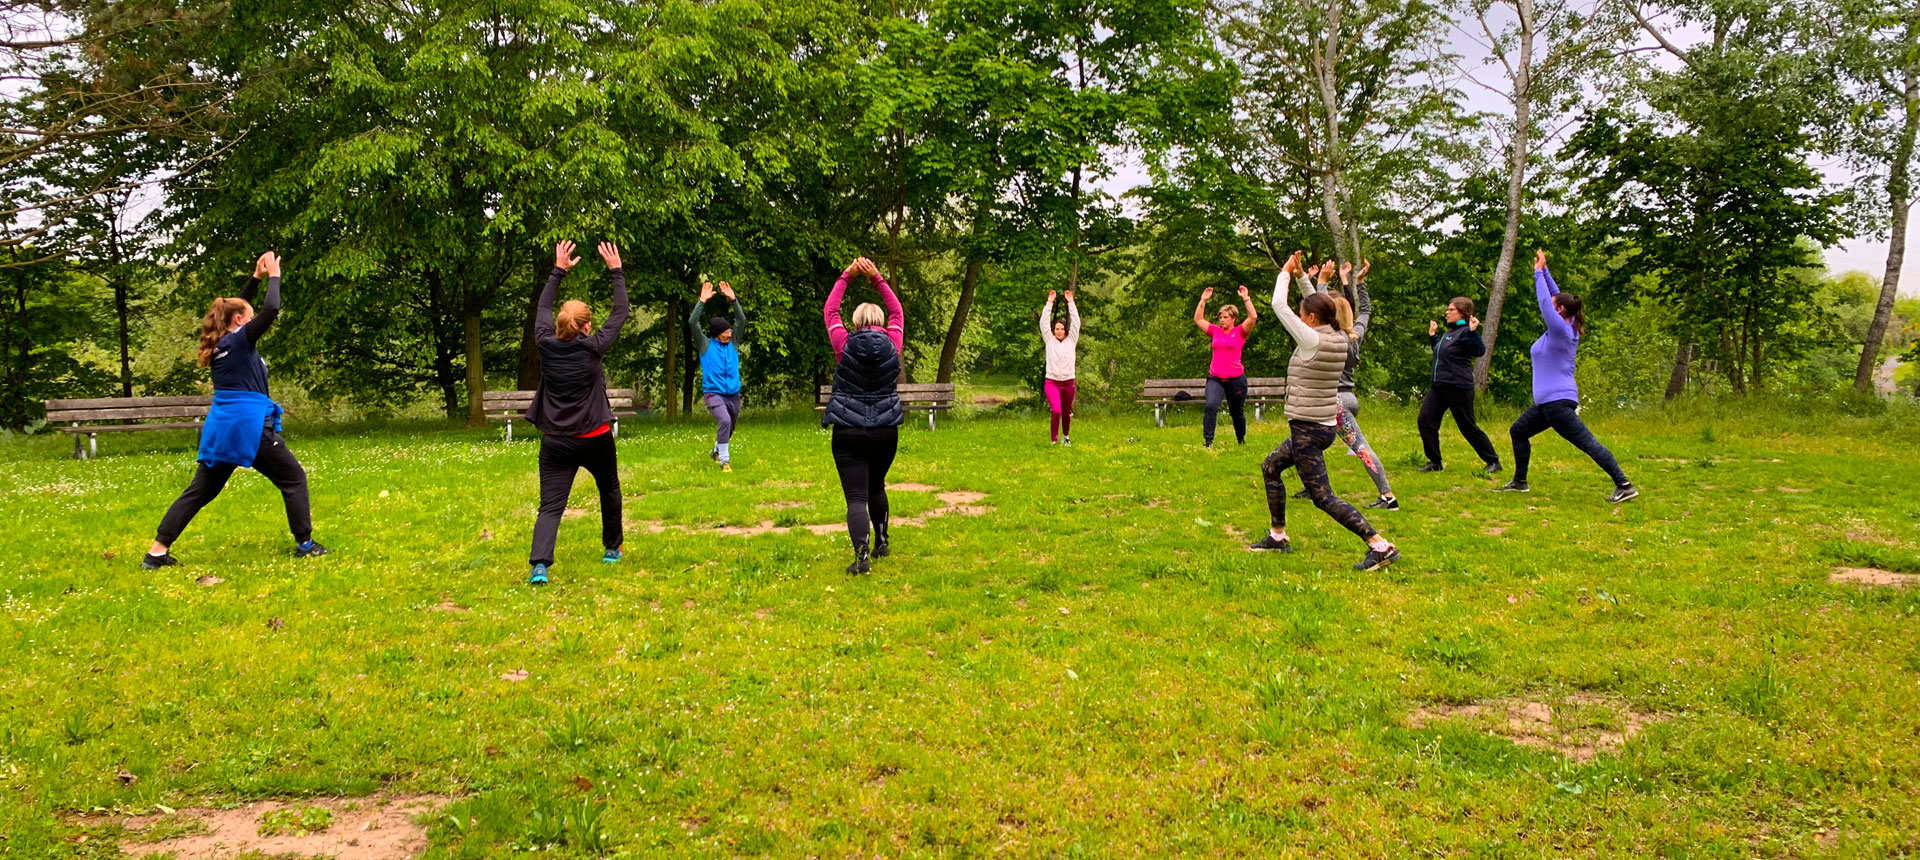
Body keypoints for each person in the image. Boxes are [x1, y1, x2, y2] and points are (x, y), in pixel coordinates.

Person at [143, 251, 329, 570]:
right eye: (248, 315)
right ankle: (305, 543)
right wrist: (274, 275)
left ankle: (156, 552)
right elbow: (272, 308)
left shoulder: (220, 345)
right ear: (241, 322)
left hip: (223, 426)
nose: (252, 317)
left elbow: (236, 311)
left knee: (201, 490)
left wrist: (254, 278)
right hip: (249, 426)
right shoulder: (239, 343)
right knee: (294, 478)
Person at [1247, 251, 1400, 571]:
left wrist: (1286, 272)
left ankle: (1379, 544)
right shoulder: (1340, 337)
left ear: (1312, 320)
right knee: (1270, 467)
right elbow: (1317, 304)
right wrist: (1304, 277)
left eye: (1304, 317)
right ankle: (1278, 536)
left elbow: (1278, 306)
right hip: (1321, 426)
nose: (1301, 320)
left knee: (1323, 497)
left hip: (1308, 430)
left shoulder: (1312, 340)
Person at [525, 240, 630, 587]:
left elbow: (541, 309)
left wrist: (558, 270)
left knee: (550, 506)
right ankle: (612, 549)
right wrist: (616, 272)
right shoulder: (594, 348)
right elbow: (620, 313)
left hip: (555, 441)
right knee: (609, 489)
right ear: (586, 327)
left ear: (558, 326)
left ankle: (540, 566)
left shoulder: (544, 343)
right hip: (594, 438)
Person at [1496, 251, 1638, 503]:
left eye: (1555, 306)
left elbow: (1544, 302)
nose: (1551, 306)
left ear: (1560, 310)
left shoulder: (1561, 329)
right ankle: (1519, 481)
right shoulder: (1567, 322)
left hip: (1557, 403)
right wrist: (1546, 270)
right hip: (1547, 403)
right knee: (1518, 431)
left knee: (1587, 443)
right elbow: (1554, 296)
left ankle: (1624, 484)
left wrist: (1537, 274)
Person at [823, 255, 906, 575]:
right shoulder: (893, 343)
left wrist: (846, 275)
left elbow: (830, 310)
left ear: (855, 323)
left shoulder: (843, 343)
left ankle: (861, 560)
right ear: (883, 323)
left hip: (849, 429)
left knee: (856, 496)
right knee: (877, 485)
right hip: (886, 429)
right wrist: (877, 278)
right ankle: (882, 542)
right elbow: (898, 311)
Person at [1294, 259, 1398, 510]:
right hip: (1347, 397)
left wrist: (1320, 284)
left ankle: (1388, 496)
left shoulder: (1330, 336)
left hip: (1334, 402)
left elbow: (1316, 311)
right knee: (1308, 442)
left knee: (1359, 447)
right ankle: (1313, 486)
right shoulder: (1355, 334)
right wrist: (1360, 284)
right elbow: (1367, 311)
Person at [1417, 295, 1502, 473]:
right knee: (1425, 420)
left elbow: (1479, 350)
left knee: (1467, 427)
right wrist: (1433, 336)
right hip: (1439, 386)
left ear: (1463, 313)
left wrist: (1473, 332)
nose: (1447, 312)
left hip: (1458, 387)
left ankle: (1493, 461)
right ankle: (1435, 462)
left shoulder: (1465, 332)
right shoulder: (1450, 332)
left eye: (1451, 310)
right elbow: (1441, 351)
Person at [689, 279, 747, 471]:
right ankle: (724, 461)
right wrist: (702, 301)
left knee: (730, 427)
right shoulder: (706, 345)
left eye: (730, 330)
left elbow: (742, 320)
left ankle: (716, 450)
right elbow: (693, 322)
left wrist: (733, 300)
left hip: (733, 395)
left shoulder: (733, 343)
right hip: (714, 394)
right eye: (726, 331)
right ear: (717, 333)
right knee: (724, 420)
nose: (730, 333)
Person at [1192, 283, 1258, 448]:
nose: (1222, 320)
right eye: (1220, 317)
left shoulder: (1240, 332)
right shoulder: (1215, 331)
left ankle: (1241, 440)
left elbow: (1253, 317)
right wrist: (1203, 300)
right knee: (1211, 406)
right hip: (1215, 378)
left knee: (1237, 413)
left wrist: (1246, 298)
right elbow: (1198, 319)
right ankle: (1208, 442)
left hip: (1236, 379)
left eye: (1225, 317)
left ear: (1233, 318)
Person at [1041, 290, 1081, 444]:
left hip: (1068, 382)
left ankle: (1066, 436)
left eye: (1061, 329)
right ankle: (1053, 440)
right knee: (1056, 410)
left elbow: (1076, 323)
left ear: (1065, 330)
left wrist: (1071, 302)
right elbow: (1044, 322)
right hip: (1052, 382)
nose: (1059, 331)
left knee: (1065, 412)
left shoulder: (1071, 341)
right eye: (1056, 329)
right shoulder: (1049, 340)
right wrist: (1049, 302)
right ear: (1053, 330)